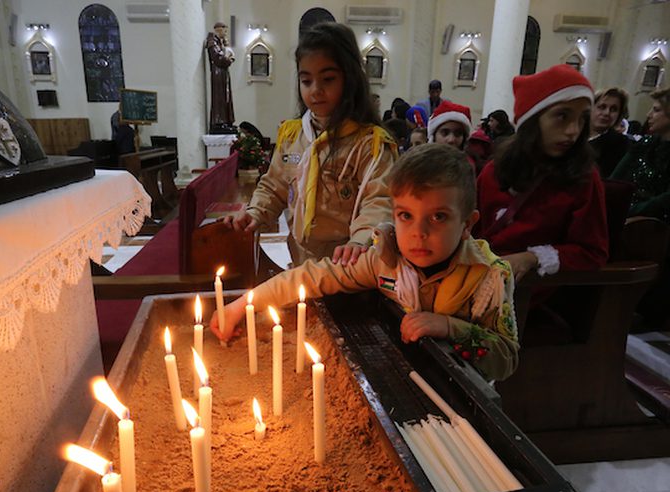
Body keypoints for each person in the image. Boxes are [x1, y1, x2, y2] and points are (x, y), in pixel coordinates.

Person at [212, 144, 520, 381]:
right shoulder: (384, 259)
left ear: (468, 224)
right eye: (405, 216)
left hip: (462, 393)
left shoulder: (488, 277)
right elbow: (312, 277)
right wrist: (241, 306)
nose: (418, 233)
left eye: (438, 217)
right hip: (405, 374)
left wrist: (450, 328)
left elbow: (505, 359)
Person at [223, 22, 398, 266]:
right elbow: (274, 186)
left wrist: (360, 241)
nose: (315, 90)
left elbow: (379, 202)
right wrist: (255, 213)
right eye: (306, 81)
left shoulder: (371, 144)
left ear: (350, 80)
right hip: (301, 258)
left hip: (349, 263)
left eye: (327, 79)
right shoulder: (293, 136)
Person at [476, 64, 609, 281]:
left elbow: (592, 253)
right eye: (562, 116)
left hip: (531, 294)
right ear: (532, 120)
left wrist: (532, 258)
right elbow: (472, 229)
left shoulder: (584, 177)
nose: (573, 130)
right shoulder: (494, 170)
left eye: (582, 118)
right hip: (481, 281)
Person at [611, 86, 670, 223]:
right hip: (626, 213)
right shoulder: (647, 143)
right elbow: (616, 179)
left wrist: (626, 211)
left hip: (653, 225)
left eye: (656, 110)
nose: (648, 115)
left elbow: (665, 201)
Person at [589, 87, 630, 177]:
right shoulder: (576, 134)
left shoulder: (620, 143)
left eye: (613, 109)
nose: (607, 113)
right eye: (602, 107)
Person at [206, 22, 236, 133]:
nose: (226, 33)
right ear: (218, 29)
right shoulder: (212, 41)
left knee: (226, 97)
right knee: (220, 98)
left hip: (223, 72)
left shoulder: (220, 42)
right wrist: (229, 59)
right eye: (225, 30)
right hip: (217, 73)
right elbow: (217, 58)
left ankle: (226, 120)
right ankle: (219, 121)